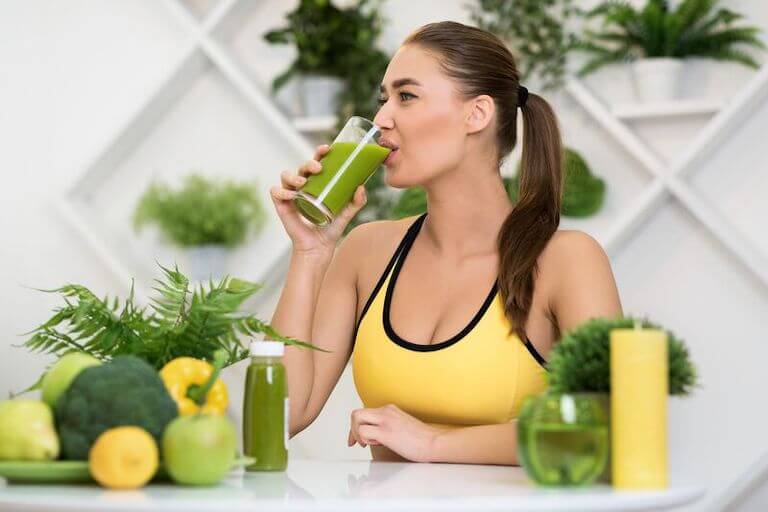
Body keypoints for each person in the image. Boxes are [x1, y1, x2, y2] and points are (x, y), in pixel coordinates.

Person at [268, 21, 622, 465]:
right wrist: (310, 252)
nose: (381, 119)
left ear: (477, 114)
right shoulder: (366, 251)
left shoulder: (566, 261)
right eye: (384, 99)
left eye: (407, 96)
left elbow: (608, 424)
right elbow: (280, 415)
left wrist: (433, 444)